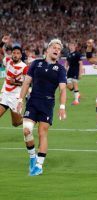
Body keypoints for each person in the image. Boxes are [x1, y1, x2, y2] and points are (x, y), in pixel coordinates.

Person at [17, 39, 67, 176]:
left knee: (42, 133)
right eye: (54, 47)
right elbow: (26, 83)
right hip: (32, 102)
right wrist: (20, 99)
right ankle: (32, 156)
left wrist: (62, 106)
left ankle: (39, 165)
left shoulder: (60, 69)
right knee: (26, 131)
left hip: (47, 104)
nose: (57, 50)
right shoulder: (36, 64)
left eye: (59, 49)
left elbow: (63, 90)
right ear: (47, 50)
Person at [0, 36, 28, 127]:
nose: (15, 55)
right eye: (14, 53)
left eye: (18, 53)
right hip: (4, 94)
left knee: (15, 123)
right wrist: (2, 43)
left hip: (15, 96)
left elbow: (27, 83)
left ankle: (30, 117)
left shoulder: (24, 67)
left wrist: (16, 82)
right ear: (11, 54)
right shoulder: (7, 60)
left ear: (20, 55)